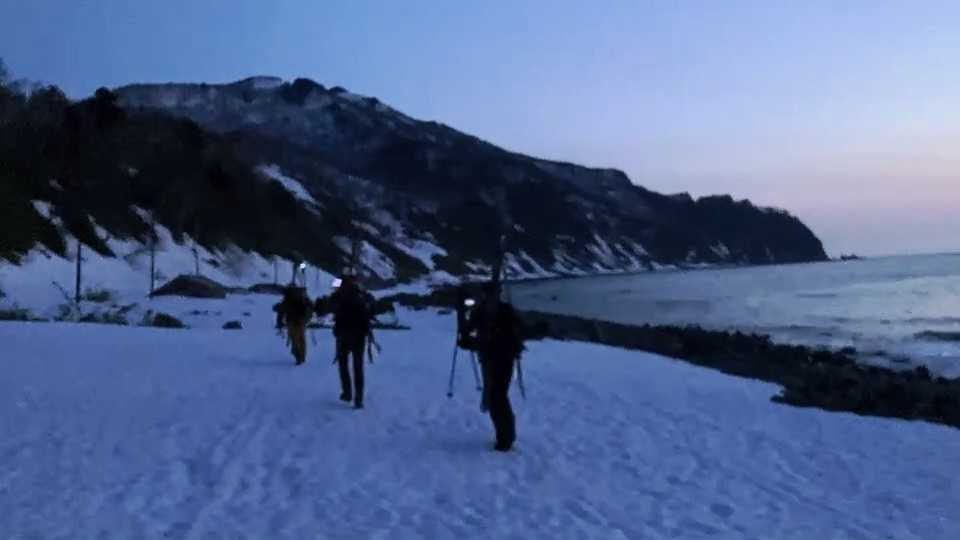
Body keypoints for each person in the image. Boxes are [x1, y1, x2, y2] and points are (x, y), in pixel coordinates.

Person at [469, 281, 526, 452]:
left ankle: (505, 438)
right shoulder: (480, 311)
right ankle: (505, 436)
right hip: (488, 358)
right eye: (488, 294)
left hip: (503, 358)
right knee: (495, 397)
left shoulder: (504, 311)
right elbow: (469, 331)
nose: (490, 297)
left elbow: (520, 328)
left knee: (498, 396)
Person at [321, 273, 375, 409]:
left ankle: (347, 393)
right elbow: (371, 303)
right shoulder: (360, 293)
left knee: (343, 365)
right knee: (358, 367)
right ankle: (358, 399)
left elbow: (329, 304)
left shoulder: (340, 292)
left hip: (343, 335)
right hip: (359, 335)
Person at [273, 285, 313, 365]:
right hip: (302, 321)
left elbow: (281, 311)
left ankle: (298, 357)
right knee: (301, 339)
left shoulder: (288, 298)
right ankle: (302, 356)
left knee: (294, 339)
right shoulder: (303, 297)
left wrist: (279, 322)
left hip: (292, 321)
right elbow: (311, 307)